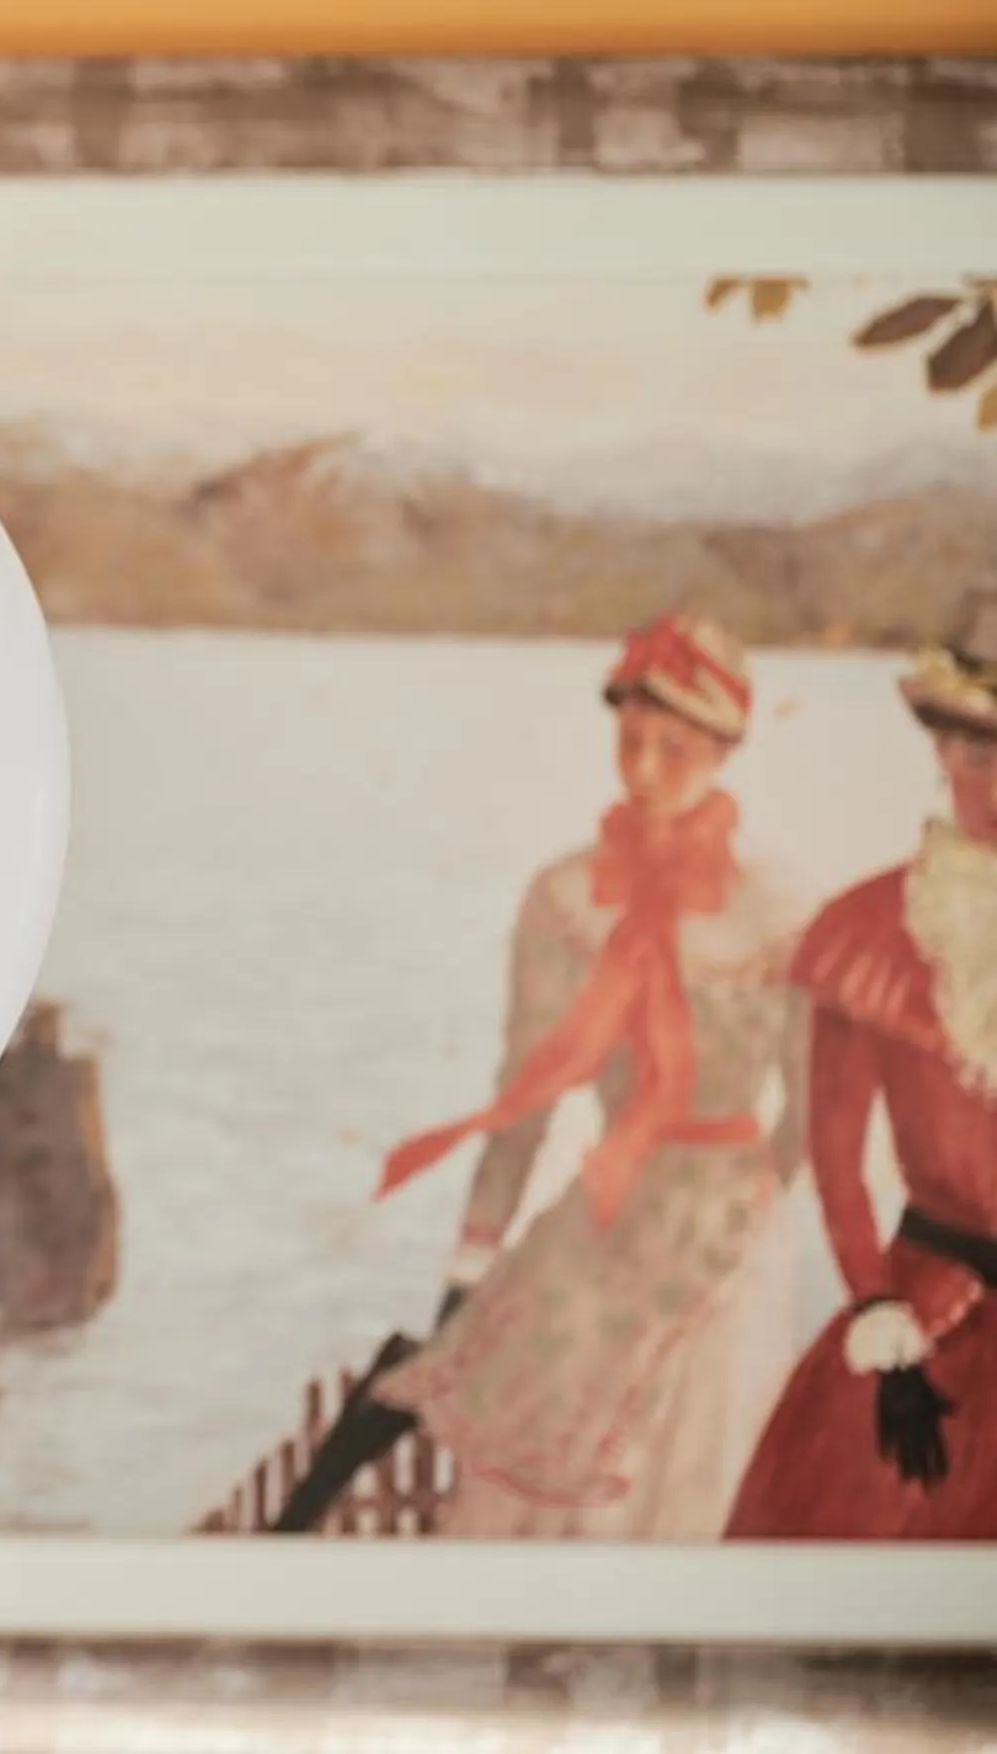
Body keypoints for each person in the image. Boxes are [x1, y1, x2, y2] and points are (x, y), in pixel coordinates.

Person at [270, 615, 805, 1536]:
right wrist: (469, 1264)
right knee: (486, 1369)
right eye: (630, 742)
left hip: (730, 1223)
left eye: (672, 748)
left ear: (724, 749)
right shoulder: (567, 898)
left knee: (678, 1466)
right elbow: (523, 1099)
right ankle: (299, 1549)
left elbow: (809, 1100)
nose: (642, 770)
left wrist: (758, 1214)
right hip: (610, 1198)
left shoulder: (780, 905)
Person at [727, 595, 997, 1540]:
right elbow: (836, 1159)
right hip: (931, 1318)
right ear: (939, 755)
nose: (996, 785)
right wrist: (879, 1317)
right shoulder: (867, 933)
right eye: (976, 753)